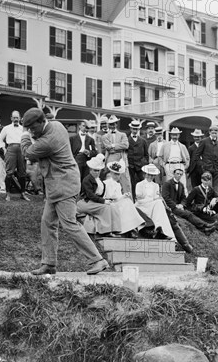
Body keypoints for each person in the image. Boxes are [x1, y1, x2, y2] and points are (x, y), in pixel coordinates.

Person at [20, 107, 109, 276]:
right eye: (28, 129)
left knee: (69, 223)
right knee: (47, 222)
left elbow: (28, 153)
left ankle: (98, 260)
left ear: (41, 122)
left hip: (65, 184)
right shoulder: (57, 125)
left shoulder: (48, 141)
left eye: (33, 128)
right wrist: (32, 134)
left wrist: (25, 137)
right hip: (57, 184)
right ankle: (49, 263)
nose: (31, 132)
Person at [162, 168, 216, 235]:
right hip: (170, 207)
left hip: (179, 206)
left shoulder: (181, 185)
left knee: (190, 214)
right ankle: (206, 225)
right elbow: (165, 197)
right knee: (189, 214)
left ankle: (205, 230)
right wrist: (175, 205)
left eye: (180, 174)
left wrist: (182, 204)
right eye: (177, 174)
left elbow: (184, 198)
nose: (179, 175)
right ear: (173, 174)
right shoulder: (167, 184)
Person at [184, 172, 218, 241]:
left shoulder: (210, 189)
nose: (206, 182)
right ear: (201, 180)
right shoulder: (196, 189)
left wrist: (215, 199)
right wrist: (199, 208)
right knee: (214, 221)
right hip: (199, 211)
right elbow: (187, 204)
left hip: (208, 209)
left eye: (208, 180)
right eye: (204, 180)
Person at [103, 160, 146, 238]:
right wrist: (123, 197)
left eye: (118, 174)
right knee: (127, 202)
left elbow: (118, 197)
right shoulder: (107, 183)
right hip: (109, 203)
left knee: (127, 202)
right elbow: (111, 196)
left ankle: (131, 228)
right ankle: (131, 228)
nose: (116, 176)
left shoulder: (118, 184)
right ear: (111, 173)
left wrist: (124, 196)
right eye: (115, 174)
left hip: (117, 202)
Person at [134, 164, 176, 241]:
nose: (150, 177)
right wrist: (153, 200)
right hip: (141, 206)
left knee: (159, 203)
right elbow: (139, 199)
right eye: (149, 175)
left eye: (152, 175)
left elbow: (156, 197)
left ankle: (161, 229)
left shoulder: (156, 185)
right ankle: (158, 229)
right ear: (145, 174)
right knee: (158, 203)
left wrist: (157, 199)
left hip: (152, 205)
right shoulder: (139, 185)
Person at [77, 154, 114, 237]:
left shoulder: (99, 181)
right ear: (90, 170)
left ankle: (113, 229)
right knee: (105, 207)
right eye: (95, 170)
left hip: (93, 202)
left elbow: (100, 194)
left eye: (98, 170)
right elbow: (90, 195)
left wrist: (106, 199)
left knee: (111, 206)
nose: (97, 172)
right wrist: (103, 201)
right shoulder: (87, 180)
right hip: (84, 202)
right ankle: (105, 231)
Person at [0, 110, 30, 201]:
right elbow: (0, 140)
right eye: (14, 117)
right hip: (11, 149)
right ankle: (8, 194)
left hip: (21, 150)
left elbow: (28, 140)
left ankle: (23, 193)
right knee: (9, 172)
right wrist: (3, 148)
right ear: (11, 118)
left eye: (17, 117)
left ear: (20, 118)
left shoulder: (24, 128)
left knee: (22, 173)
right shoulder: (6, 128)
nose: (16, 119)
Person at [101, 115, 132, 194]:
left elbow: (126, 145)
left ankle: (128, 201)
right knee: (111, 180)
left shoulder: (123, 135)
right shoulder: (104, 136)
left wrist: (113, 145)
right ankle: (110, 199)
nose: (112, 125)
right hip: (111, 158)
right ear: (108, 125)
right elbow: (108, 148)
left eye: (114, 123)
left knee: (126, 182)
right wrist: (118, 146)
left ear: (116, 124)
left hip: (122, 158)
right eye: (111, 124)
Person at [126, 119, 149, 201]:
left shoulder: (143, 141)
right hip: (130, 165)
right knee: (131, 183)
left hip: (140, 166)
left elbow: (146, 155)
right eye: (133, 129)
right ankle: (132, 199)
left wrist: (144, 163)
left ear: (138, 130)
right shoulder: (126, 140)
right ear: (131, 129)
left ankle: (145, 198)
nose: (135, 130)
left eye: (136, 129)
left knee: (144, 182)